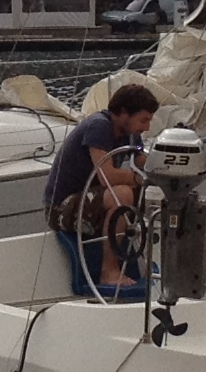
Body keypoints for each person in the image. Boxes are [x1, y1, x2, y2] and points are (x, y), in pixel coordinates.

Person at [45, 82, 161, 293]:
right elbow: (107, 175)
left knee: (149, 196)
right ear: (124, 113)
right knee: (124, 194)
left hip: (91, 201)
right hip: (61, 208)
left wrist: (166, 169)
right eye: (143, 120)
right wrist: (139, 180)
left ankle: (153, 262)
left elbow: (142, 159)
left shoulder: (129, 132)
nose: (147, 127)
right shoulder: (99, 126)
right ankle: (109, 271)